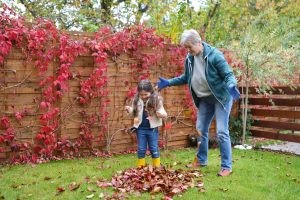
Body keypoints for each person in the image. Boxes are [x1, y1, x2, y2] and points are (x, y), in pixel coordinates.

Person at [157, 29, 240, 177]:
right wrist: (168, 82)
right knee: (201, 128)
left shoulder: (215, 56)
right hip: (205, 100)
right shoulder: (189, 59)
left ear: (199, 42)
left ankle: (226, 166)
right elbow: (186, 77)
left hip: (221, 98)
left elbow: (228, 75)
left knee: (221, 131)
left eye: (190, 47)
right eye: (186, 48)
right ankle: (202, 160)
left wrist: (232, 85)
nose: (188, 51)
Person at [125, 79, 167, 167]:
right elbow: (134, 113)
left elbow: (164, 113)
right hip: (140, 128)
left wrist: (161, 115)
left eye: (145, 94)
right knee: (141, 149)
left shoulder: (156, 100)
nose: (143, 96)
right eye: (141, 94)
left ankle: (157, 167)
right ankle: (141, 168)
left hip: (152, 129)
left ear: (151, 92)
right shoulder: (136, 100)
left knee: (153, 148)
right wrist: (130, 110)